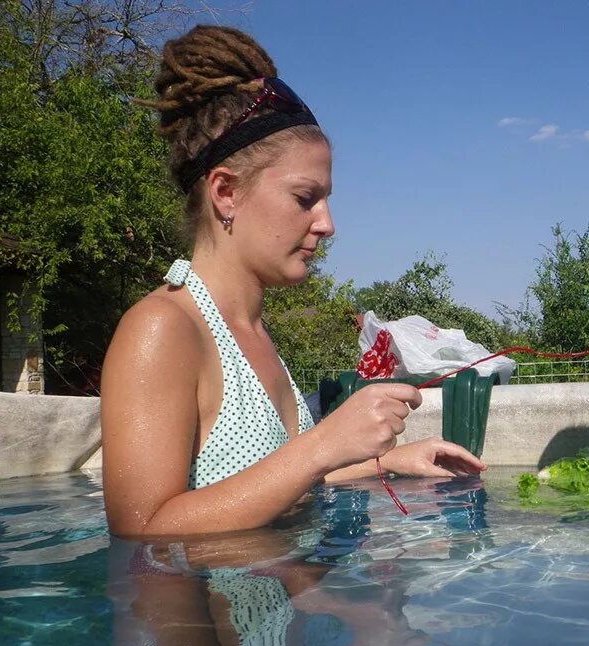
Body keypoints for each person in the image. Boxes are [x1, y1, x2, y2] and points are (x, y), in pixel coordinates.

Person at [101, 25, 485, 537]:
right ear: (226, 193)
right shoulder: (162, 329)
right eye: (305, 198)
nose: (327, 223)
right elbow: (141, 527)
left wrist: (386, 463)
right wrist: (324, 443)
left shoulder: (253, 333)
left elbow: (266, 483)